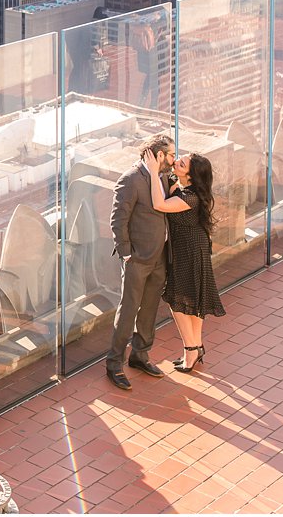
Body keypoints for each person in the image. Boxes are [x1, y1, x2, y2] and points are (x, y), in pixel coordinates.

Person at [105, 133, 174, 390]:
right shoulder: (131, 180)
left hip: (159, 257)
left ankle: (140, 355)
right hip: (137, 259)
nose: (173, 159)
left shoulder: (164, 177)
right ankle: (114, 364)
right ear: (158, 155)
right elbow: (117, 220)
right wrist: (126, 254)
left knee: (149, 309)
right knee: (129, 310)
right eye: (170, 154)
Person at [148, 152, 227, 373]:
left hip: (189, 251)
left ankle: (190, 349)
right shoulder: (186, 190)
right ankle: (197, 346)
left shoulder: (189, 197)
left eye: (181, 164)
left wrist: (154, 172)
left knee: (178, 300)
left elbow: (159, 204)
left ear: (191, 176)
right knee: (193, 298)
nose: (176, 162)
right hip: (193, 248)